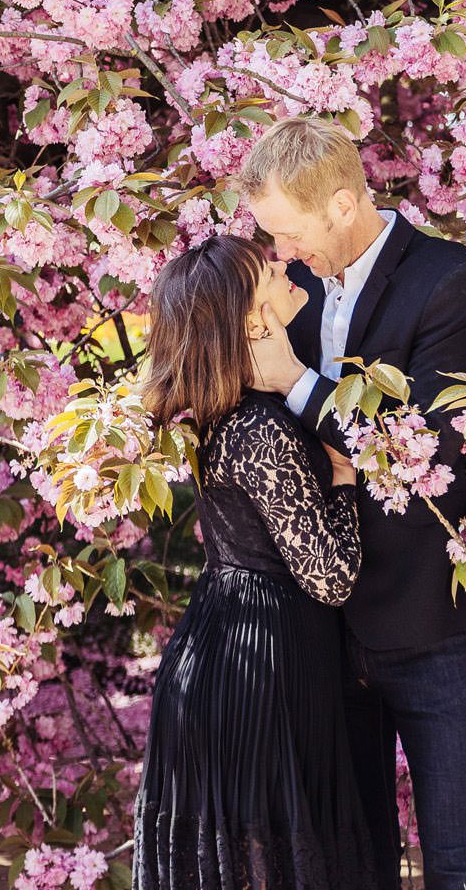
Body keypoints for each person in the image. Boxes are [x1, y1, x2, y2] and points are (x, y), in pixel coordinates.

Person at [238, 115, 466, 890]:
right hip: (316, 627)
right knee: (352, 864)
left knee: (458, 861)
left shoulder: (449, 280)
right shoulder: (293, 287)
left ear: (344, 204)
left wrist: (292, 380)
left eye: (287, 233)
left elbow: (419, 447)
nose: (280, 254)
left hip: (426, 623)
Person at [132, 232, 382, 890]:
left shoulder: (226, 414)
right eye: (266, 269)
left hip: (227, 648)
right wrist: (344, 478)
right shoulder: (260, 427)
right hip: (261, 671)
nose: (282, 263)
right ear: (250, 317)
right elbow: (329, 576)